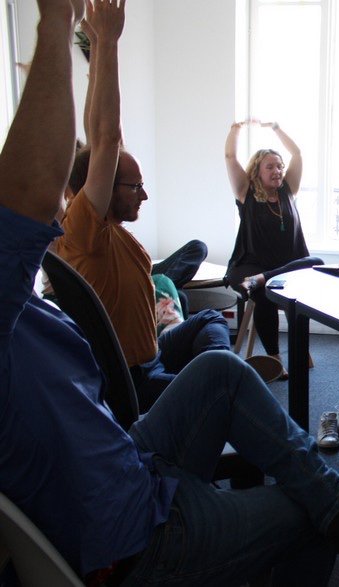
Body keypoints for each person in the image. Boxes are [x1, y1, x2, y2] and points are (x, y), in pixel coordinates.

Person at [0, 2, 339, 584]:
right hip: (131, 531)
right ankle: (335, 507)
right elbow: (82, 156)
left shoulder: (72, 258)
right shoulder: (71, 243)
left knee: (218, 367)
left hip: (126, 461)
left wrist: (103, 44)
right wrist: (62, 25)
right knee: (312, 518)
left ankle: (335, 495)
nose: (138, 191)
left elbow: (102, 140)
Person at [54, 0, 231, 412]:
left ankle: (211, 376)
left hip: (152, 351)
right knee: (227, 384)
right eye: (135, 187)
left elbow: (98, 139)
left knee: (206, 320)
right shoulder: (84, 226)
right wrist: (111, 44)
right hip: (134, 378)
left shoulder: (103, 227)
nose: (144, 195)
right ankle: (215, 385)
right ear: (99, 189)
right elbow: (106, 139)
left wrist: (96, 51)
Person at [224, 119, 323, 381]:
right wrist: (236, 129)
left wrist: (277, 129)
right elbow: (230, 155)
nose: (278, 170)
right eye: (270, 166)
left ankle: (266, 280)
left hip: (284, 267)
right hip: (249, 267)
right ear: (257, 171)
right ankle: (274, 360)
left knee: (316, 262)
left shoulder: (288, 190)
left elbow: (297, 154)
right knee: (263, 292)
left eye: (279, 166)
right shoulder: (245, 192)